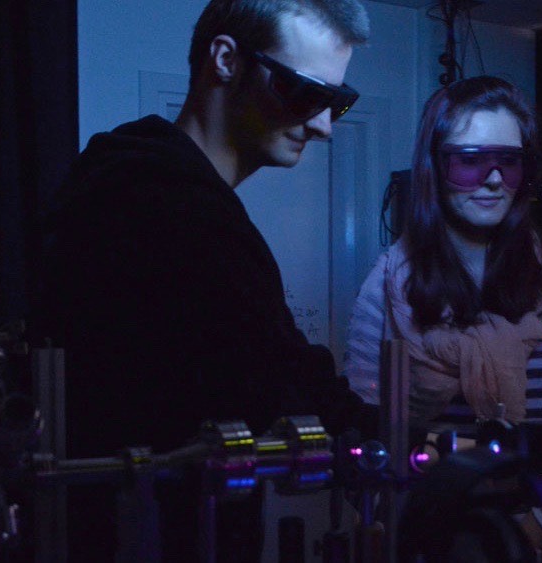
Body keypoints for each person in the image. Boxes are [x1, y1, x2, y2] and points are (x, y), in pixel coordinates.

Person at [32, 0, 374, 559]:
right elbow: (288, 385)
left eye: (337, 102)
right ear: (225, 60)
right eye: (304, 93)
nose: (323, 126)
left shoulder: (129, 180)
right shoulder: (181, 215)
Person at [343, 76, 542, 442]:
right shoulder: (386, 284)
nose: (494, 179)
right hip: (428, 497)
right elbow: (361, 439)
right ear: (434, 168)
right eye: (470, 160)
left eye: (509, 161)